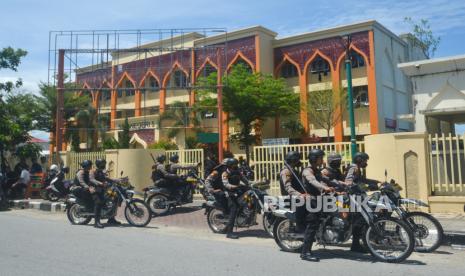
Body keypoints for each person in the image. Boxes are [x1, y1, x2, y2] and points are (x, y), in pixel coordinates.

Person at [300, 149, 334, 262]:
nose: (322, 160)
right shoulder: (307, 171)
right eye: (320, 158)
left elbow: (326, 179)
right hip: (310, 200)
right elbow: (312, 181)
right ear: (314, 159)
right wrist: (324, 187)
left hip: (318, 199)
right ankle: (305, 253)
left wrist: (342, 185)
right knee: (312, 224)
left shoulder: (316, 170)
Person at [344, 152, 380, 253]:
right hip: (352, 197)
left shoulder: (357, 168)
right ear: (359, 160)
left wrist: (376, 182)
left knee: (361, 219)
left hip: (358, 196)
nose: (366, 162)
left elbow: (362, 180)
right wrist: (367, 187)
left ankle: (358, 243)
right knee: (358, 220)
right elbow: (348, 182)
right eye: (365, 160)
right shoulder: (353, 168)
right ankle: (355, 245)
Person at [205, 158, 246, 239]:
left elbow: (243, 179)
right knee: (233, 208)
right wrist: (212, 190)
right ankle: (229, 232)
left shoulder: (235, 171)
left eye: (235, 165)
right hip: (219, 191)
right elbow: (207, 181)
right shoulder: (218, 172)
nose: (235, 167)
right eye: (233, 165)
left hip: (229, 189)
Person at [72, 160, 105, 229]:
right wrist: (89, 187)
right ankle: (96, 222)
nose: (90, 167)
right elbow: (82, 182)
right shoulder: (80, 172)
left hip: (85, 189)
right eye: (89, 165)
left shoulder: (88, 172)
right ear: (85, 166)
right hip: (78, 189)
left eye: (90, 165)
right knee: (97, 202)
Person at [279, 151, 306, 232]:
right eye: (297, 160)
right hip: (291, 197)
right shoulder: (286, 171)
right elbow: (288, 188)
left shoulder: (293, 170)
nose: (299, 162)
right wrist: (299, 195)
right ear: (293, 161)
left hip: (297, 196)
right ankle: (300, 229)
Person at [94, 159, 120, 225]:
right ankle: (96, 222)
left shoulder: (101, 172)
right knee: (99, 202)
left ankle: (111, 218)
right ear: (98, 164)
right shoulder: (94, 172)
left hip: (103, 190)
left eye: (104, 164)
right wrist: (100, 183)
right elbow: (91, 180)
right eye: (102, 164)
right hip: (96, 190)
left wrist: (116, 180)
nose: (103, 165)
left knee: (115, 197)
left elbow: (106, 179)